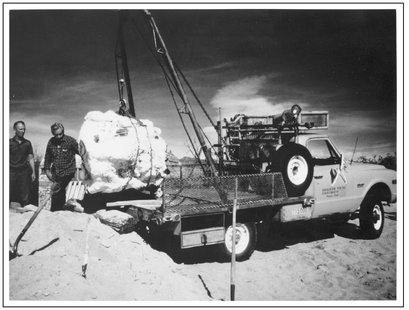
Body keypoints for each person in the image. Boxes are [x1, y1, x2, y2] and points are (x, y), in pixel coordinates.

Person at [44, 123, 79, 212]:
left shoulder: (70, 141)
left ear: (63, 131)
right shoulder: (51, 142)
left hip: (68, 171)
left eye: (60, 134)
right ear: (53, 134)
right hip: (55, 172)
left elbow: (82, 153)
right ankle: (60, 211)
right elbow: (47, 158)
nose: (59, 136)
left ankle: (55, 211)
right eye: (56, 135)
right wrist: (47, 170)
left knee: (57, 188)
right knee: (59, 192)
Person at [10, 121, 36, 207]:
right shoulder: (9, 143)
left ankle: (26, 214)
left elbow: (31, 158)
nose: (23, 131)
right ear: (15, 129)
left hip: (23, 172)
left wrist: (33, 172)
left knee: (25, 195)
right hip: (11, 171)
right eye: (20, 129)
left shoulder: (27, 143)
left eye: (24, 129)